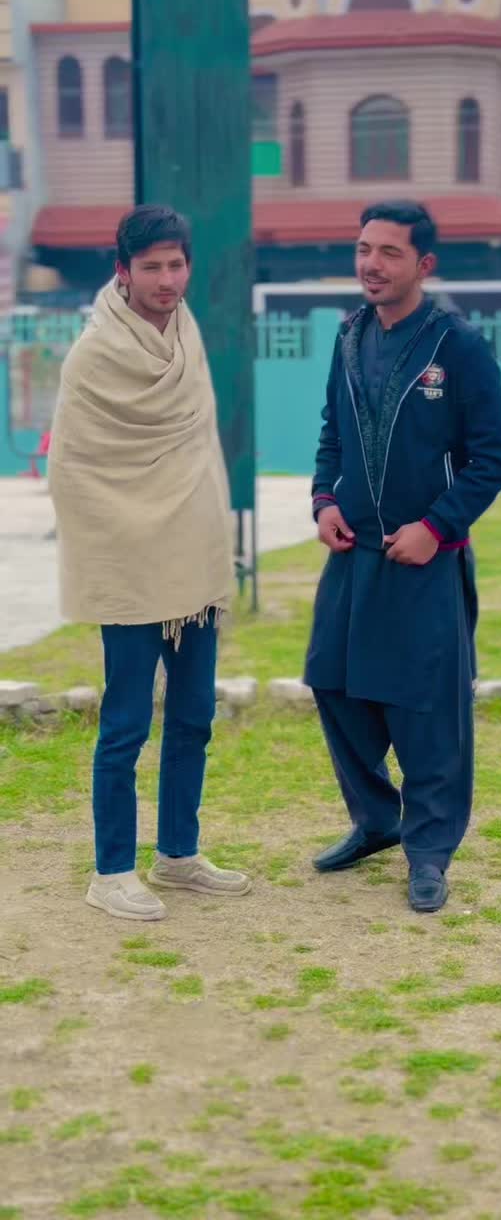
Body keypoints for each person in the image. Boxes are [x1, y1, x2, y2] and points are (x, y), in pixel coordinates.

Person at [304, 201, 501, 913]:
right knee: (333, 682)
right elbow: (332, 433)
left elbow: (495, 457)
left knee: (427, 709)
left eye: (389, 252)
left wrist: (436, 526)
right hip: (354, 551)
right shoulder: (349, 337)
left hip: (425, 558)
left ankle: (429, 854)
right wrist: (323, 502)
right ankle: (376, 820)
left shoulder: (457, 345)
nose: (371, 264)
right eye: (364, 249)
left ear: (424, 264)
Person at [49, 205, 251, 921]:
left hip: (192, 557)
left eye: (176, 265)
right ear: (124, 272)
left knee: (194, 715)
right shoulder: (94, 355)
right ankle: (111, 872)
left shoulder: (186, 331)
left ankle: (177, 854)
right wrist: (129, 535)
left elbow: (198, 446)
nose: (167, 280)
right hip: (132, 565)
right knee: (127, 722)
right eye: (152, 267)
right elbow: (74, 471)